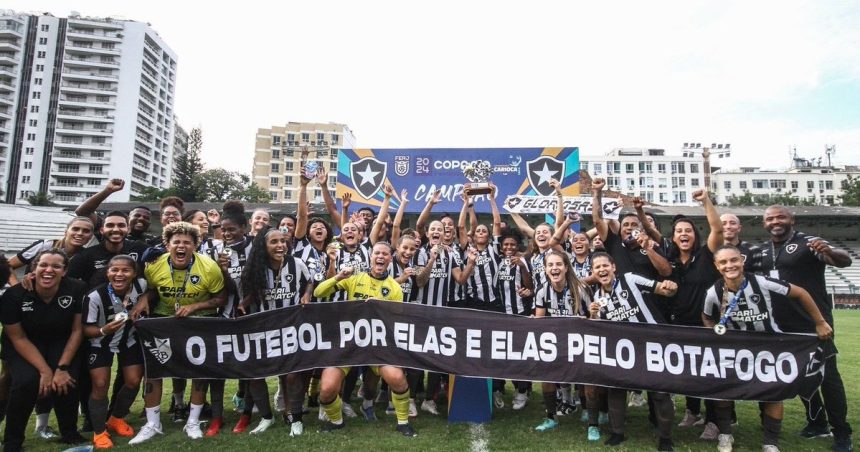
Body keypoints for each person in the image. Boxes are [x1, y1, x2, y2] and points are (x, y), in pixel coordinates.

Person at [702, 245, 834, 452]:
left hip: (768, 348)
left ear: (742, 261)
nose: (730, 265)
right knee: (724, 392)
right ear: (717, 266)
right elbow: (707, 316)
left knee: (773, 393)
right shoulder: (714, 292)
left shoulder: (761, 282)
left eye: (734, 260)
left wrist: (819, 321)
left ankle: (770, 443)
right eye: (724, 262)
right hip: (735, 350)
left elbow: (800, 292)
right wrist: (715, 333)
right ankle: (725, 435)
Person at [754, 205, 853, 451]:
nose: (775, 221)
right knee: (797, 376)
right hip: (781, 327)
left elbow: (842, 260)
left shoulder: (809, 243)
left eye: (780, 217)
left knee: (828, 378)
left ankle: (842, 432)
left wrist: (830, 251)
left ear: (792, 219)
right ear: (764, 223)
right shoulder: (763, 251)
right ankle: (817, 422)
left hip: (814, 323)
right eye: (770, 218)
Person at [128, 222, 226, 444]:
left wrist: (195, 307)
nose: (181, 246)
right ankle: (152, 423)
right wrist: (145, 298)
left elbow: (221, 299)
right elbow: (152, 290)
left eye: (187, 243)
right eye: (177, 242)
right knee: (155, 371)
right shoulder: (154, 266)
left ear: (195, 246)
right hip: (164, 322)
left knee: (199, 372)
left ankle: (192, 421)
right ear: (167, 245)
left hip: (199, 323)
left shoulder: (209, 267)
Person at [313, 242, 418, 437]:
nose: (380, 256)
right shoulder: (354, 278)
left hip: (377, 344)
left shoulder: (394, 288)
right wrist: (338, 276)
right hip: (349, 342)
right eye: (377, 253)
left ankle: (403, 422)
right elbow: (319, 292)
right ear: (371, 256)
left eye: (385, 254)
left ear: (389, 259)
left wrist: (380, 309)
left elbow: (396, 321)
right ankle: (336, 422)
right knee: (327, 389)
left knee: (397, 379)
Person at [587, 252, 678, 450]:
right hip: (623, 351)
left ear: (613, 267)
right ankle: (617, 432)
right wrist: (593, 315)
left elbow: (663, 291)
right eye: (597, 268)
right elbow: (599, 328)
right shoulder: (597, 296)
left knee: (659, 392)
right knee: (616, 390)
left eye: (605, 265)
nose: (602, 270)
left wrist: (671, 287)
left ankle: (665, 437)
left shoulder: (630, 279)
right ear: (593, 272)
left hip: (651, 345)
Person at [1, 251, 88, 451]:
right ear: (34, 269)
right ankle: (12, 442)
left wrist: (62, 368)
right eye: (43, 265)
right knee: (25, 382)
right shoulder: (14, 295)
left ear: (65, 271)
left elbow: (77, 331)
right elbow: (17, 337)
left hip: (61, 341)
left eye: (56, 266)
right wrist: (45, 371)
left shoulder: (77, 288)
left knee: (66, 381)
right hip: (24, 344)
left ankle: (70, 434)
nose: (49, 270)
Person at [234, 227, 312, 436]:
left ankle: (295, 418)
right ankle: (266, 417)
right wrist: (244, 303)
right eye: (274, 242)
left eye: (283, 241)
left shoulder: (297, 264)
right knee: (256, 375)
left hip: (291, 329)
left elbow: (310, 282)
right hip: (264, 329)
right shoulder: (255, 269)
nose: (280, 246)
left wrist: (306, 295)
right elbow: (252, 293)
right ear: (263, 246)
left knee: (292, 375)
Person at [83, 255, 147, 449]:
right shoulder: (94, 296)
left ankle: (116, 418)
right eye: (114, 270)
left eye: (125, 270)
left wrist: (142, 301)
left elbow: (150, 292)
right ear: (107, 272)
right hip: (101, 341)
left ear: (134, 274)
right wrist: (105, 330)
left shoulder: (141, 285)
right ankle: (99, 431)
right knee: (100, 384)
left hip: (128, 339)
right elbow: (86, 329)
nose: (119, 274)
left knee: (134, 380)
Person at [532, 251, 591, 433]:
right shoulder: (542, 290)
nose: (554, 268)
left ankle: (588, 411)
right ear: (546, 269)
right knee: (547, 378)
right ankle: (551, 416)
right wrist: (534, 320)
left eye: (558, 264)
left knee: (582, 379)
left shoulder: (581, 288)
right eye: (550, 265)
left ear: (566, 268)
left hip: (579, 341)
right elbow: (540, 321)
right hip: (554, 341)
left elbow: (593, 318)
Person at [495, 228, 534, 411]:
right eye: (506, 245)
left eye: (512, 244)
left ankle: (522, 391)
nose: (509, 247)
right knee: (501, 354)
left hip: (519, 314)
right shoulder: (499, 262)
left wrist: (523, 267)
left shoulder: (523, 261)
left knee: (520, 354)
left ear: (517, 245)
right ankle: (498, 389)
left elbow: (529, 286)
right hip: (501, 315)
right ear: (502, 247)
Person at [6, 216, 94, 286]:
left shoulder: (86, 257)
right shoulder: (45, 246)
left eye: (86, 231)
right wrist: (16, 288)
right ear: (66, 232)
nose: (80, 233)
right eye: (75, 229)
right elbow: (7, 266)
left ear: (90, 236)